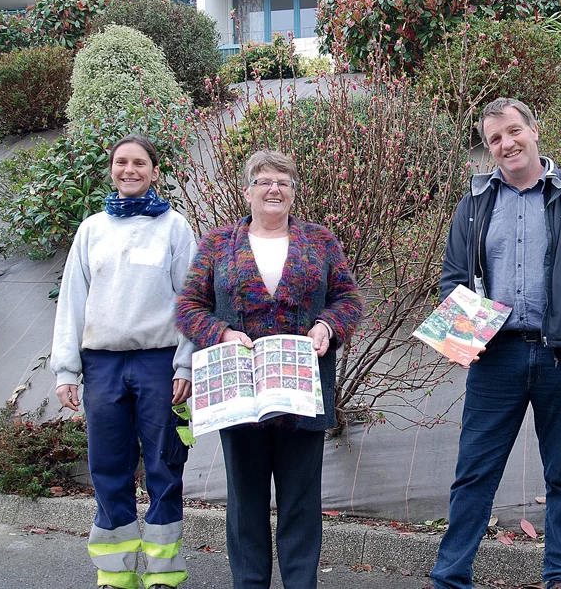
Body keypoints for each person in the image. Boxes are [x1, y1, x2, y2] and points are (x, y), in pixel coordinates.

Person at [429, 98, 561, 589]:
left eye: (514, 131)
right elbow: (454, 278)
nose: (506, 144)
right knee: (474, 473)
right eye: (495, 138)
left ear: (534, 131)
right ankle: (451, 577)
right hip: (495, 357)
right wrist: (462, 342)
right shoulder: (475, 202)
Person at [175, 150, 362, 589]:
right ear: (247, 191)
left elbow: (349, 300)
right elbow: (187, 307)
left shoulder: (321, 241)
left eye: (283, 181)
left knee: (301, 503)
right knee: (245, 505)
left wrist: (327, 326)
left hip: (303, 395)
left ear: (294, 193)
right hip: (240, 397)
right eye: (263, 181)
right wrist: (219, 332)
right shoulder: (218, 243)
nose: (274, 188)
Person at [50, 134, 196, 589]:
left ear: (155, 171)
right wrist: (66, 369)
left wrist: (186, 364)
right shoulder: (92, 229)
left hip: (159, 363)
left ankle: (163, 575)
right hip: (102, 365)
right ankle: (114, 576)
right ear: (111, 170)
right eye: (120, 162)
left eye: (139, 163)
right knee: (108, 469)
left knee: (164, 468)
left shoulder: (175, 227)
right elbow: (72, 300)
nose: (128, 170)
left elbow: (191, 300)